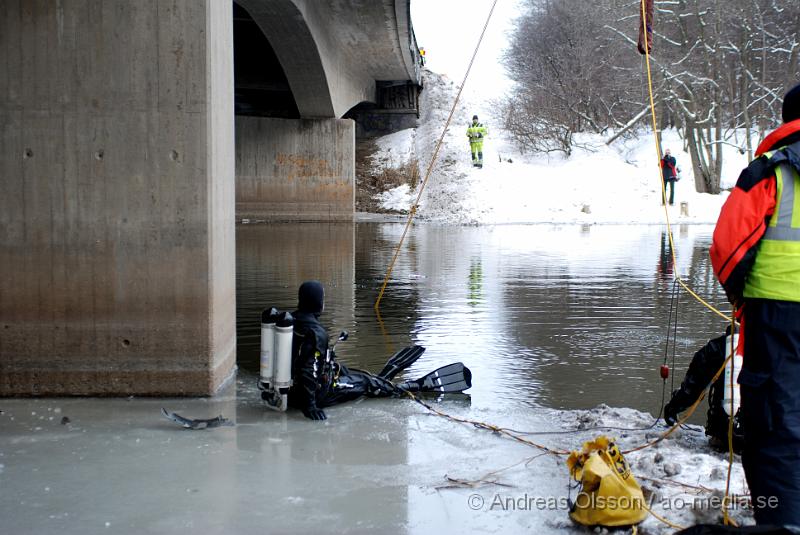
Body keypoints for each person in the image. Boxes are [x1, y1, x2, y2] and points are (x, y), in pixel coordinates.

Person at [709, 82, 800, 526]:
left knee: (774, 426)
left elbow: (727, 248)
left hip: (777, 315)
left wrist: (741, 299)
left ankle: (783, 520)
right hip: (776, 315)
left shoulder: (771, 170)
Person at [288, 281, 397, 420]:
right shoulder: (316, 332)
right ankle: (398, 389)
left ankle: (378, 380)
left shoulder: (291, 321)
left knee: (343, 370)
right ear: (318, 302)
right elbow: (307, 370)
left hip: (289, 392)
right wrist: (310, 406)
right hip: (315, 395)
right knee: (364, 381)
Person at [663, 332, 744, 453]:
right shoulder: (777, 346)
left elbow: (691, 389)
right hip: (768, 440)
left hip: (725, 439)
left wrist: (672, 409)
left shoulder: (719, 347)